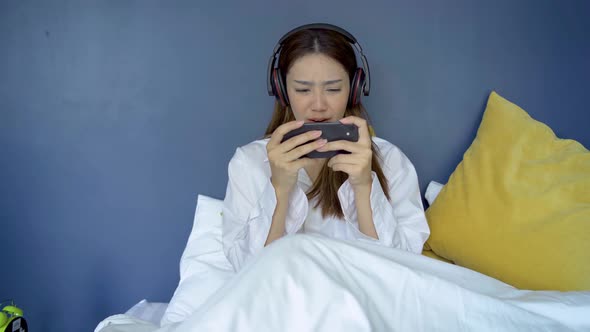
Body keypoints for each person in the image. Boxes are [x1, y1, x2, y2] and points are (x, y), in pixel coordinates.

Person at [222, 23, 430, 272]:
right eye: (302, 89)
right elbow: (246, 271)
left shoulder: (391, 160)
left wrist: (364, 187)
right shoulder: (249, 162)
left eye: (333, 89)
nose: (318, 105)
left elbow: (403, 270)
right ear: (281, 90)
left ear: (354, 90)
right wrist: (279, 189)